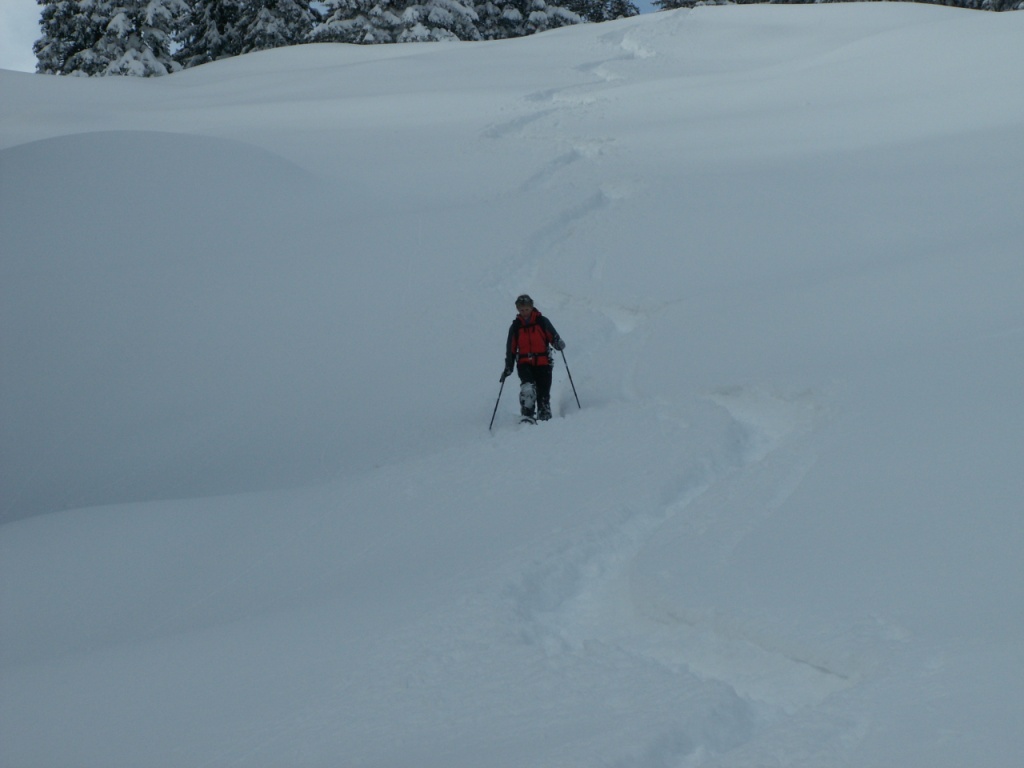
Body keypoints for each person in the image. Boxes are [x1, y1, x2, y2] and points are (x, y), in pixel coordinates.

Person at [501, 294, 565, 422]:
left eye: (527, 309)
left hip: (543, 363)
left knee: (543, 393)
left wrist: (558, 343)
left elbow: (553, 337)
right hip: (524, 363)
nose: (524, 312)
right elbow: (511, 349)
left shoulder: (542, 322)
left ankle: (544, 417)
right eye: (521, 310)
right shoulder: (515, 327)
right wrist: (509, 367)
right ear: (518, 310)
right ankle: (527, 415)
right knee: (528, 389)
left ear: (532, 307)